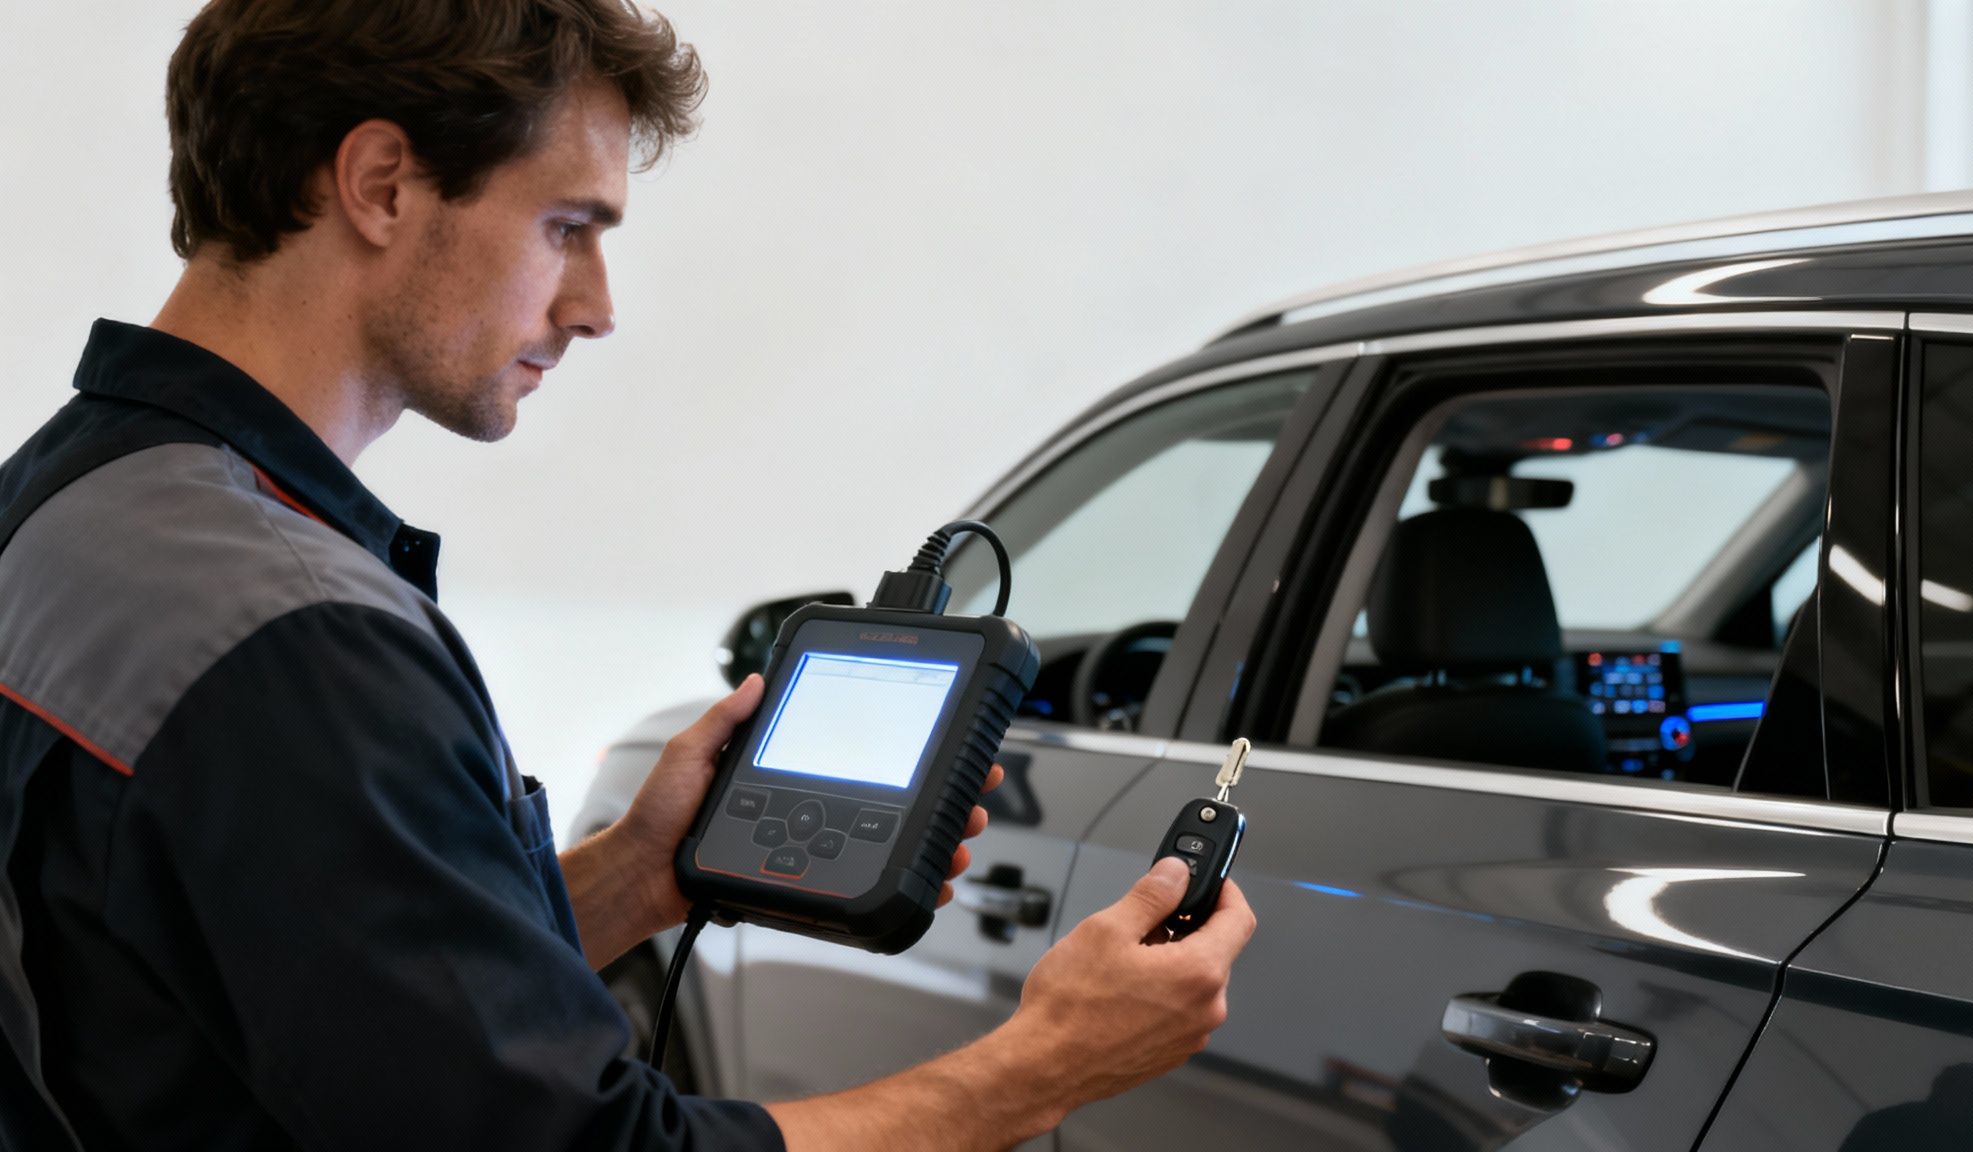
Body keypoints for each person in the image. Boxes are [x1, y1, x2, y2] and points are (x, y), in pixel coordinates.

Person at [0, 1, 1257, 1149]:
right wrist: (1044, 1066)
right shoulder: (294, 642)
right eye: (566, 229)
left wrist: (631, 875)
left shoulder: (68, 502)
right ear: (381, 182)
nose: (596, 307)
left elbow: (306, 988)